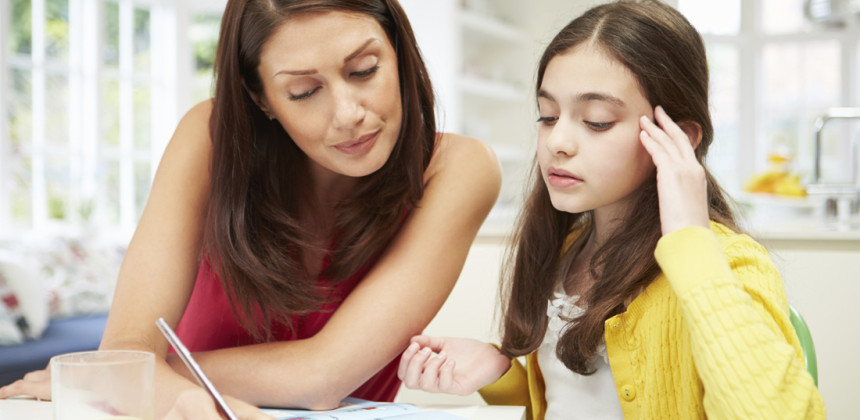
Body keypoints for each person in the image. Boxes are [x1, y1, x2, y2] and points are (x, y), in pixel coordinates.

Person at [0, 0, 501, 418]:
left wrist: (129, 377)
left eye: (365, 70)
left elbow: (322, 378)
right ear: (262, 99)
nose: (349, 114)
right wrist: (135, 376)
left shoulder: (458, 169)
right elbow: (128, 346)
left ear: (399, 51)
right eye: (304, 92)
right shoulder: (211, 138)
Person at [396, 1, 826, 419]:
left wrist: (689, 241)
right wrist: (501, 373)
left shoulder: (730, 263)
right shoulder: (563, 252)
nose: (556, 141)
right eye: (547, 116)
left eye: (597, 121)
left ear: (678, 135)